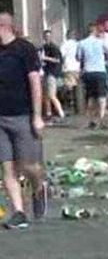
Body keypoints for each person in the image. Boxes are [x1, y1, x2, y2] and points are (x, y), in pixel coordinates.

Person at [0, 12, 47, 229]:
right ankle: (19, 212)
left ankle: (39, 187)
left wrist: (37, 116)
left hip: (23, 116)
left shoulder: (24, 49)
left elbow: (35, 83)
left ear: (3, 26)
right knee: (7, 168)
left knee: (29, 166)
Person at [77, 23, 108, 129]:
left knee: (91, 97)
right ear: (95, 31)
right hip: (100, 71)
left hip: (88, 71)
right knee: (101, 97)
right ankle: (101, 119)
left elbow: (78, 57)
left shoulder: (81, 43)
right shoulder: (101, 42)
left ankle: (91, 119)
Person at [41, 30, 65, 121]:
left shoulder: (54, 47)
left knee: (51, 95)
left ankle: (61, 112)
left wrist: (45, 58)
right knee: (46, 95)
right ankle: (48, 113)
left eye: (49, 36)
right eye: (46, 36)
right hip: (46, 72)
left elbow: (58, 60)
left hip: (52, 73)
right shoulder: (43, 47)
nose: (47, 38)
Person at [61, 29, 80, 110]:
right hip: (77, 67)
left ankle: (71, 101)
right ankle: (77, 102)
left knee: (69, 86)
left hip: (68, 67)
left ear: (67, 35)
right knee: (76, 85)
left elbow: (61, 55)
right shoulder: (78, 44)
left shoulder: (65, 44)